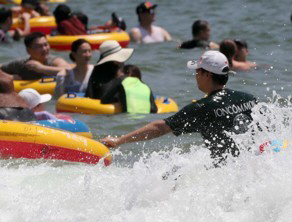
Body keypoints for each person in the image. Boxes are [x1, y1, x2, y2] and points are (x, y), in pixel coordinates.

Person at [101, 50, 258, 164]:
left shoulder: (202, 108)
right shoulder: (249, 99)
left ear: (207, 75)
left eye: (197, 71)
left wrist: (119, 140)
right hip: (252, 164)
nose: (195, 75)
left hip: (226, 172)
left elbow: (160, 127)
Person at [0, 32, 69, 80]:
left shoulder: (54, 61)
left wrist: (41, 68)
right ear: (28, 50)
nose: (44, 49)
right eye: (38, 46)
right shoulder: (21, 65)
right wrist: (10, 77)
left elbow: (69, 70)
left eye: (45, 45)